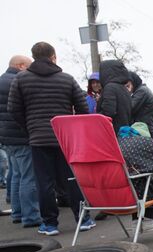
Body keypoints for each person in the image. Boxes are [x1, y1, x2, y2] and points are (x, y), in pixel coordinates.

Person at [8, 42, 94, 236]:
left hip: (38, 138)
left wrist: (29, 127)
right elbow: (83, 109)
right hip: (64, 139)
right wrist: (72, 130)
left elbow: (13, 109)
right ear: (53, 57)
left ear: (34, 56)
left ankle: (50, 224)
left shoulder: (21, 80)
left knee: (44, 182)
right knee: (72, 179)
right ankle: (84, 219)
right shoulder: (67, 79)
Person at [0, 55, 41, 227]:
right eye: (29, 67)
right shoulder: (18, 81)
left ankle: (17, 212)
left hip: (7, 137)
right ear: (21, 66)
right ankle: (30, 216)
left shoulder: (2, 80)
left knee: (16, 174)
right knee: (28, 177)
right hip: (20, 135)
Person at [97, 60, 132, 134]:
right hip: (123, 132)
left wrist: (95, 118)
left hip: (112, 132)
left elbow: (108, 111)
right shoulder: (123, 88)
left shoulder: (110, 88)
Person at [128, 71, 153, 138]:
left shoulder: (142, 91)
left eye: (128, 85)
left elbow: (130, 108)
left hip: (143, 130)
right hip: (144, 128)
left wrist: (126, 93)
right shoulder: (142, 90)